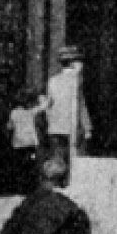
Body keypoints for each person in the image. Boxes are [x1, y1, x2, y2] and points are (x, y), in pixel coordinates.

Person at [43, 46, 93, 179]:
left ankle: (57, 182)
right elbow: (80, 105)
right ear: (73, 63)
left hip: (55, 128)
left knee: (58, 159)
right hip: (72, 128)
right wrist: (87, 127)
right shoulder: (76, 81)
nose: (81, 65)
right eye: (79, 62)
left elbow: (49, 104)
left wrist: (50, 121)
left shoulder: (53, 80)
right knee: (74, 160)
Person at [7, 89, 46, 189]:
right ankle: (31, 184)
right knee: (31, 163)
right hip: (30, 142)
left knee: (20, 165)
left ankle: (20, 185)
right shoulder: (30, 112)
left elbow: (9, 127)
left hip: (18, 143)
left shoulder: (13, 113)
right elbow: (43, 107)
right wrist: (42, 97)